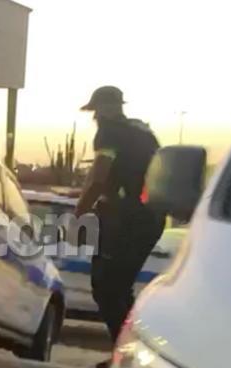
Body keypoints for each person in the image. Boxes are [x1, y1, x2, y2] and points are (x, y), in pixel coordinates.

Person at [74, 86, 165, 342]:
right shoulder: (143, 132)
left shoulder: (109, 132)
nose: (95, 117)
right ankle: (130, 349)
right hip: (151, 219)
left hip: (125, 220)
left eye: (96, 111)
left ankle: (125, 350)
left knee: (106, 290)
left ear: (105, 109)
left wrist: (79, 212)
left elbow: (99, 178)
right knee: (121, 289)